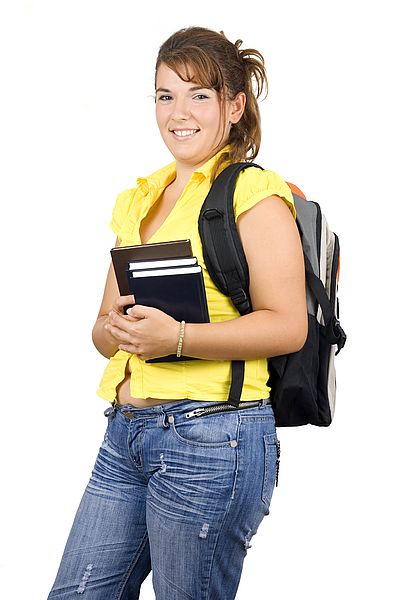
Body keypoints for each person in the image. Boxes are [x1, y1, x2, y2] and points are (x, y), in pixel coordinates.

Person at [47, 26, 307, 600]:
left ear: (235, 107)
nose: (178, 112)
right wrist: (116, 330)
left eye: (199, 95)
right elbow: (101, 330)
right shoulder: (141, 197)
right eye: (165, 95)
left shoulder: (253, 193)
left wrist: (179, 338)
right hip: (125, 436)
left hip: (212, 439)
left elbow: (289, 325)